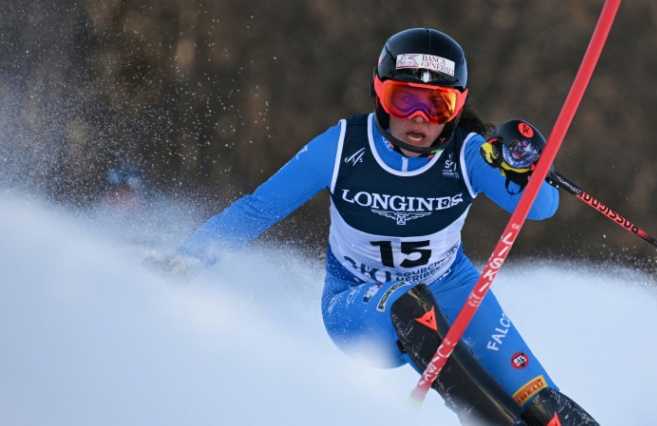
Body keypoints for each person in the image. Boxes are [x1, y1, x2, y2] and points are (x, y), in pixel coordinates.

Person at [155, 28, 598, 425]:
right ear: (379, 95)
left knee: (543, 406)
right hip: (357, 303)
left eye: (437, 105)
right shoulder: (342, 146)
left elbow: (541, 208)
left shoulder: (468, 153)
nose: (418, 118)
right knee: (409, 303)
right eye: (404, 100)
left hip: (452, 286)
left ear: (457, 107)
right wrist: (186, 259)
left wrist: (525, 164)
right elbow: (258, 209)